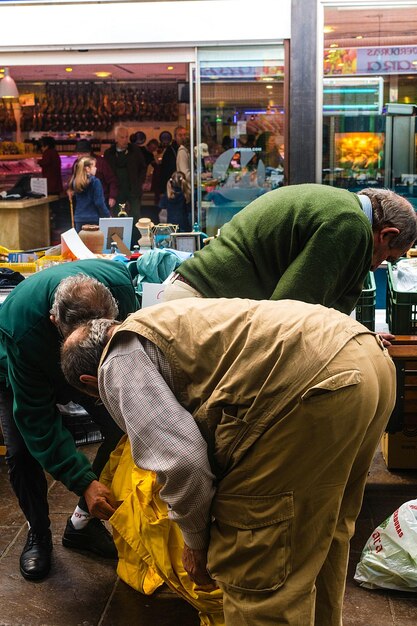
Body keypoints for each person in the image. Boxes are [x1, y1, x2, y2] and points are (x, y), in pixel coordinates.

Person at [60, 297, 396, 626]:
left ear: (91, 382)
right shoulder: (157, 320)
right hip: (368, 357)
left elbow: (183, 462)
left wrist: (195, 544)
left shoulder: (116, 362)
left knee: (256, 569)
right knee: (324, 532)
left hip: (317, 387)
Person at [0, 259, 138, 582]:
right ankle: (38, 532)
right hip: (19, 366)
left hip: (89, 362)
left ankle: (79, 525)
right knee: (21, 452)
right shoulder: (24, 326)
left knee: (119, 429)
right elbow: (37, 420)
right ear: (54, 320)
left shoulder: (120, 289)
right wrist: (83, 480)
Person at [163, 184, 417, 319]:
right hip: (201, 305)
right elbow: (292, 311)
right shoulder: (350, 224)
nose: (376, 266)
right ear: (387, 234)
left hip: (193, 296)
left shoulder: (337, 203)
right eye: (388, 256)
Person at [104, 126, 147, 246]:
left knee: (135, 216)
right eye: (122, 137)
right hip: (117, 192)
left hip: (133, 190)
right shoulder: (109, 153)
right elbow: (106, 173)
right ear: (116, 138)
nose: (125, 140)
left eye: (127, 137)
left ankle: (136, 243)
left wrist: (140, 183)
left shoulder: (135, 151)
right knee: (118, 218)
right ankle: (119, 244)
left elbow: (143, 167)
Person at [74, 139, 118, 212]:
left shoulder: (101, 162)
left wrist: (112, 196)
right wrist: (70, 189)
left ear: (88, 153)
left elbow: (112, 180)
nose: (79, 157)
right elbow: (74, 179)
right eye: (78, 154)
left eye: (81, 154)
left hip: (102, 199)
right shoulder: (77, 164)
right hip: (83, 201)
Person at [68, 156, 110, 231]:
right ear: (87, 169)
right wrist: (107, 215)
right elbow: (99, 203)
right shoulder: (96, 182)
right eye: (94, 166)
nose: (96, 168)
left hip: (79, 218)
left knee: (80, 242)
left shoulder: (76, 182)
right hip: (93, 219)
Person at [159, 126, 187, 195]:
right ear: (175, 137)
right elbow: (166, 170)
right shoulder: (170, 151)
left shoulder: (187, 148)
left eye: (184, 135)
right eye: (180, 135)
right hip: (174, 184)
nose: (183, 137)